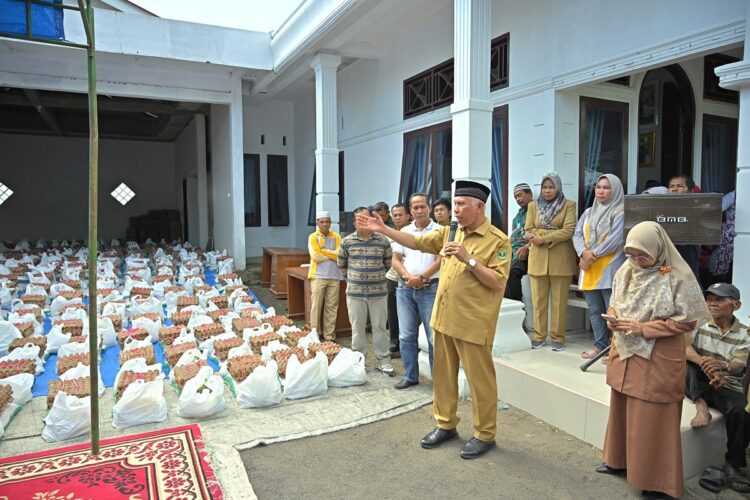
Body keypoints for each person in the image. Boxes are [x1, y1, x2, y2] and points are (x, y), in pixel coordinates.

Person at [356, 180, 510, 460]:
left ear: (479, 207)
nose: (456, 210)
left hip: (473, 322)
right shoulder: (451, 231)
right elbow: (416, 241)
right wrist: (384, 229)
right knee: (443, 378)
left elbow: (498, 282)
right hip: (444, 317)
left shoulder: (498, 240)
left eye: (462, 205)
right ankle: (445, 424)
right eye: (455, 204)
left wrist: (469, 259)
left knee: (480, 382)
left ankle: (485, 434)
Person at [597, 221, 712, 499]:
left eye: (643, 255)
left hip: (656, 357)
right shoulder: (627, 269)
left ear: (658, 250)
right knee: (622, 409)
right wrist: (614, 317)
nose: (637, 261)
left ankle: (658, 482)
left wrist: (643, 328)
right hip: (625, 352)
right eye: (632, 254)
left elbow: (687, 320)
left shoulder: (678, 276)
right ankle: (617, 461)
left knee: (652, 420)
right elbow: (616, 299)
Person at [685, 283, 750, 493]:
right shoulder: (699, 324)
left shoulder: (745, 334)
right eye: (709, 299)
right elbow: (685, 348)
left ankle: (733, 464)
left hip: (726, 384)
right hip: (700, 380)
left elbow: (739, 366)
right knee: (685, 366)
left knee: (741, 410)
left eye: (719, 300)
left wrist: (722, 367)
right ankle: (701, 406)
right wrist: (707, 364)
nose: (712, 304)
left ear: (736, 305)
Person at [391, 193, 441, 390]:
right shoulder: (405, 231)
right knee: (406, 335)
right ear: (410, 211)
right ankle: (411, 376)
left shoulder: (439, 231)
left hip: (430, 288)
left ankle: (439, 382)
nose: (419, 210)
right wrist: (407, 278)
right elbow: (395, 259)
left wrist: (421, 278)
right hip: (405, 289)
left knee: (433, 338)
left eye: (423, 206)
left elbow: (440, 260)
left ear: (429, 208)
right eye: (415, 207)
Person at [572, 174, 626, 358]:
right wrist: (583, 253)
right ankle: (599, 346)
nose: (601, 191)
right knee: (595, 311)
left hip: (610, 268)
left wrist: (590, 255)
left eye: (606, 187)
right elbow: (577, 235)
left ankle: (616, 349)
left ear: (615, 190)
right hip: (589, 269)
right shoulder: (588, 212)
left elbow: (616, 240)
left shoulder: (620, 212)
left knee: (613, 313)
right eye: (598, 187)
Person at [338, 206, 395, 376]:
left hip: (378, 292)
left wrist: (374, 278)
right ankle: (358, 361)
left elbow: (388, 263)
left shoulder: (383, 241)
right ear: (355, 223)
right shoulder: (347, 241)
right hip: (355, 294)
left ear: (372, 220)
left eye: (366, 218)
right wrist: (354, 280)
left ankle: (384, 361)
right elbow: (342, 265)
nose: (363, 222)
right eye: (359, 219)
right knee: (357, 328)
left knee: (380, 328)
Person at [525, 172, 577, 351]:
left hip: (561, 259)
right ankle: (539, 336)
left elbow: (568, 230)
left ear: (558, 188)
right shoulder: (533, 206)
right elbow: (528, 229)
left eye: (551, 187)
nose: (547, 191)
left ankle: (558, 337)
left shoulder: (569, 205)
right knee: (538, 301)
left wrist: (543, 237)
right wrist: (550, 233)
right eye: (544, 187)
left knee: (559, 301)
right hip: (537, 258)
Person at [307, 211, 343, 341]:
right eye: (322, 221)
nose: (325, 224)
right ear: (317, 223)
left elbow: (340, 255)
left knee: (332, 306)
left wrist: (324, 251)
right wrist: (332, 254)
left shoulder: (337, 237)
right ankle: (314, 334)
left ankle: (329, 336)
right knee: (316, 306)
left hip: (334, 276)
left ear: (330, 222)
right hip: (317, 276)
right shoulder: (312, 237)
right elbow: (315, 257)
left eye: (327, 221)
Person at [385, 203, 410, 356]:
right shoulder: (389, 235)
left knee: (410, 313)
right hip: (392, 278)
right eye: (395, 215)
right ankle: (394, 342)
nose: (397, 217)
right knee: (392, 312)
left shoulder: (414, 234)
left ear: (408, 216)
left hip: (410, 278)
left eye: (401, 214)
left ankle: (410, 344)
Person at [667, 174, 700, 279]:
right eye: (671, 186)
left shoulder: (696, 209)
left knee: (689, 288)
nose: (674, 189)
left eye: (680, 186)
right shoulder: (660, 210)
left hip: (687, 257)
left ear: (690, 191)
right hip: (666, 259)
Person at [504, 183, 533, 301]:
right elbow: (514, 236)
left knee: (512, 273)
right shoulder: (518, 215)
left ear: (529, 194)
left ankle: (517, 308)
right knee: (499, 271)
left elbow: (542, 233)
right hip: (513, 252)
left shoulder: (537, 211)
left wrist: (528, 247)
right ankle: (507, 310)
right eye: (515, 197)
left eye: (520, 195)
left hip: (527, 253)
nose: (518, 199)